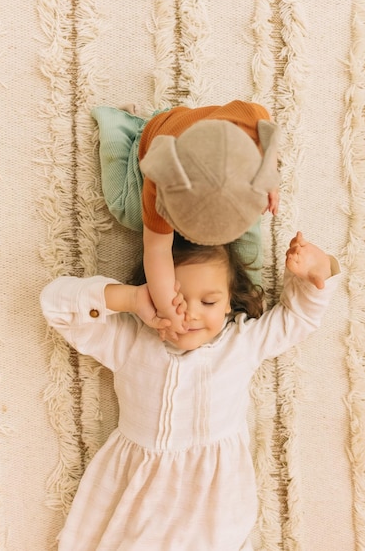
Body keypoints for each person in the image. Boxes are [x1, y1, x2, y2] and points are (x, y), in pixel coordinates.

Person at [40, 231, 341, 551]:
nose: (192, 313)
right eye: (176, 300)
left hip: (211, 500)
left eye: (208, 301)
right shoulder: (128, 341)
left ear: (228, 301)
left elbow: (297, 318)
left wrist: (316, 271)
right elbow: (56, 304)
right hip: (137, 491)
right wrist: (130, 299)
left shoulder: (243, 343)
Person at [91, 100, 280, 337]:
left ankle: (246, 292)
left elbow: (267, 127)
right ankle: (122, 126)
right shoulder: (162, 180)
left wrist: (270, 176)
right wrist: (167, 306)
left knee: (250, 232)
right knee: (128, 211)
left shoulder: (251, 133)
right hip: (161, 135)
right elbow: (156, 250)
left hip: (216, 150)